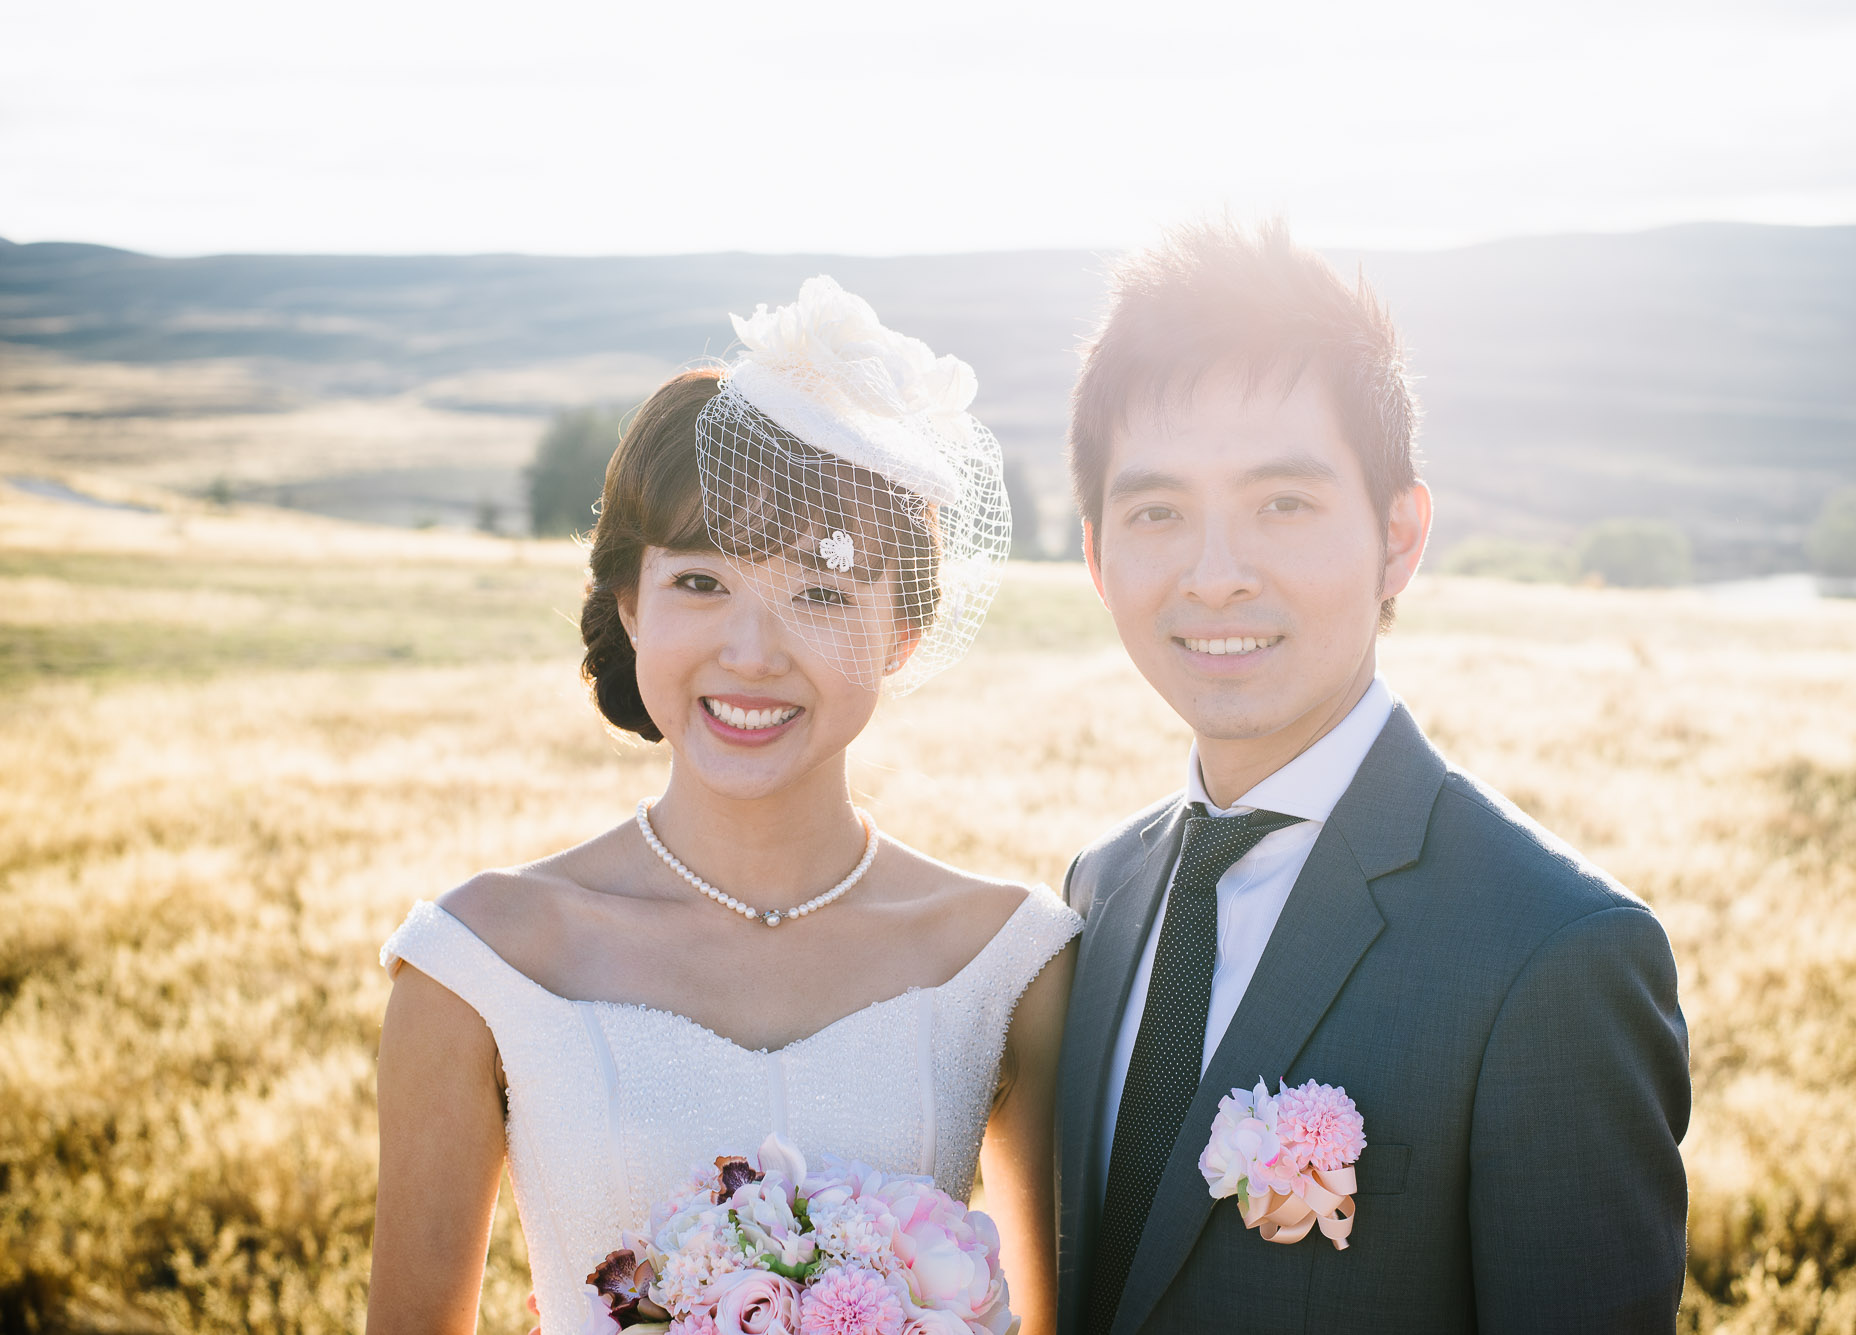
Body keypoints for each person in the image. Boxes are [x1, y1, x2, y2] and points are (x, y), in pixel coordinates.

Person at [368, 277, 1080, 1335]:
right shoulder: (479, 963)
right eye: (700, 582)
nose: (751, 653)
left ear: (901, 634)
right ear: (629, 604)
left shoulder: (1007, 961)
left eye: (821, 592)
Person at [1054, 220, 1691, 1333]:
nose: (1212, 577)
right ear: (1099, 558)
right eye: (1157, 512)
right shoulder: (1096, 892)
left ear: (1398, 536)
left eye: (1280, 505)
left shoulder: (1551, 953)